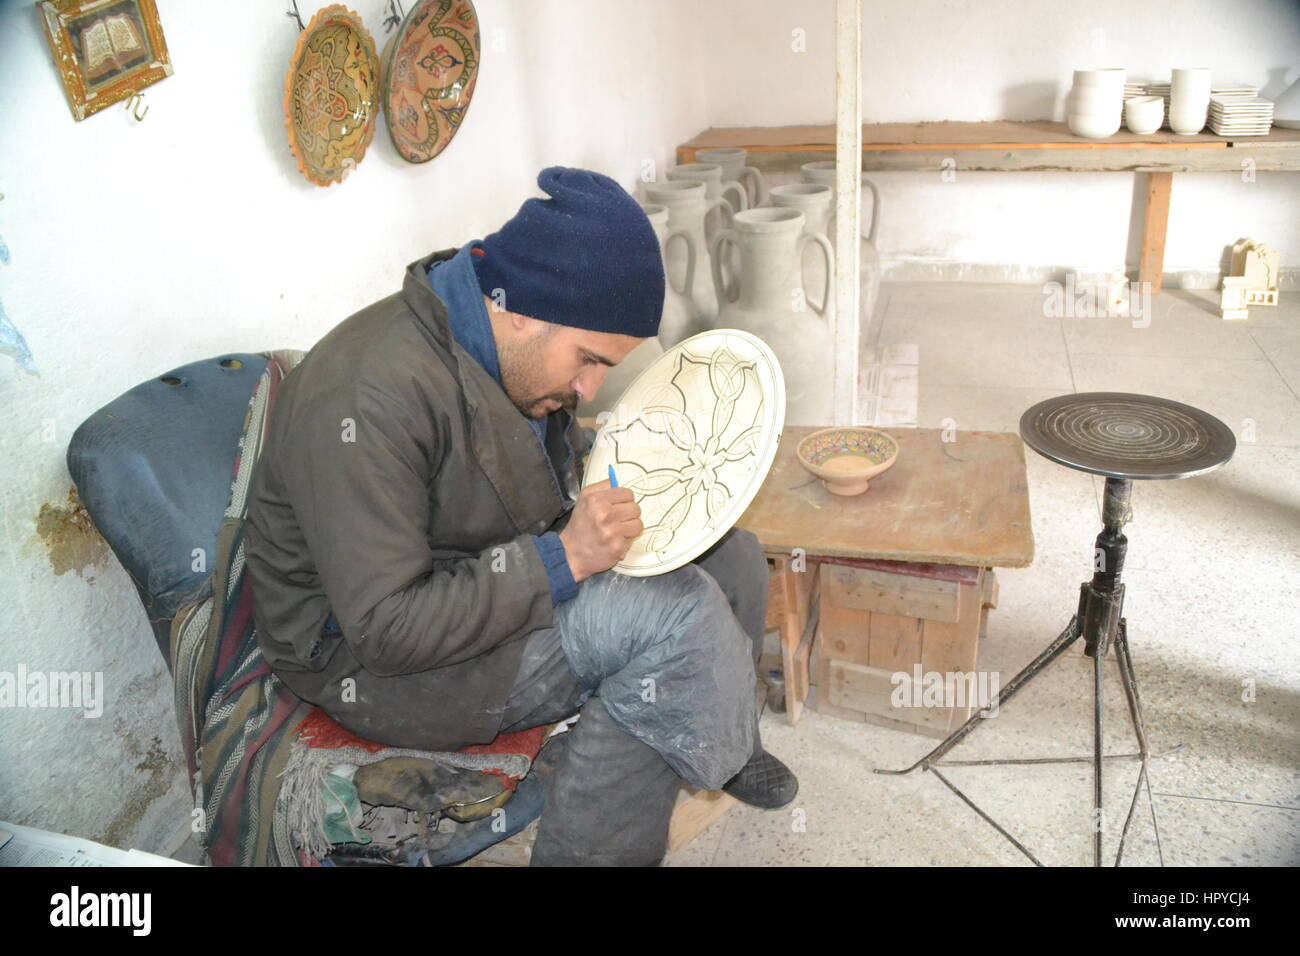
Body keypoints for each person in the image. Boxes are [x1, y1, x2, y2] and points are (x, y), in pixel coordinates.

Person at [244, 166, 798, 866]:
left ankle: (718, 736)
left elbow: (521, 469)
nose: (588, 388)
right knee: (675, 615)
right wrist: (563, 558)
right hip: (374, 662)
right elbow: (385, 630)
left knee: (733, 554)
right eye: (589, 361)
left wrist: (629, 468)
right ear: (523, 312)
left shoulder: (497, 338)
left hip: (481, 573)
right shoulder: (365, 399)